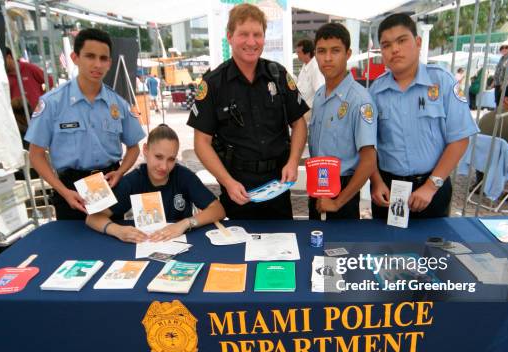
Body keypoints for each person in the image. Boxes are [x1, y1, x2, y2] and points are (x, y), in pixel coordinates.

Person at [187, 3, 308, 220]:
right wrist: (227, 182)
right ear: (229, 36)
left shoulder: (278, 75)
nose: (251, 42)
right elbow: (201, 143)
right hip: (237, 191)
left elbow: (299, 123)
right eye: (244, 34)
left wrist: (292, 162)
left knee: (284, 249)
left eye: (257, 35)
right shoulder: (213, 84)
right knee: (237, 251)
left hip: (277, 186)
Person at [25, 28, 145, 220]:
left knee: (113, 245)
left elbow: (134, 147)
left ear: (109, 63)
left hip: (109, 185)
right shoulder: (52, 103)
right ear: (75, 57)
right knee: (73, 247)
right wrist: (63, 191)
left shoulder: (119, 104)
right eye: (90, 56)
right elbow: (36, 155)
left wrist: (120, 172)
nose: (97, 64)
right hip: (70, 190)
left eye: (103, 58)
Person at [369, 13, 478, 218]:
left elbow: (460, 138)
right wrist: (376, 181)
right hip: (389, 190)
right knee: (385, 248)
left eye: (402, 40)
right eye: (386, 45)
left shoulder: (442, 82)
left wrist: (430, 186)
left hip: (433, 187)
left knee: (433, 248)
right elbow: (367, 146)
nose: (395, 49)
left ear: (417, 42)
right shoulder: (375, 92)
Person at [86, 124, 226, 243]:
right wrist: (118, 230)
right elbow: (93, 218)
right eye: (158, 157)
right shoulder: (132, 181)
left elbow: (218, 210)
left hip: (181, 244)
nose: (164, 167)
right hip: (146, 243)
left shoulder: (183, 176)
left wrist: (185, 224)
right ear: (146, 150)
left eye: (171, 159)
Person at [308, 23, 378, 220]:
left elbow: (369, 160)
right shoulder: (320, 95)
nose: (327, 58)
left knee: (339, 249)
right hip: (317, 186)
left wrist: (338, 202)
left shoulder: (360, 100)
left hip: (343, 193)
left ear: (348, 54)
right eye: (321, 51)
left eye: (335, 51)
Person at [295, 38, 324, 120]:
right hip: (302, 107)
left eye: (299, 53)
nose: (297, 55)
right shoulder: (305, 65)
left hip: (310, 110)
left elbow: (320, 91)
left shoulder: (315, 68)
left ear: (307, 53)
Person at [494, 40, 508, 106]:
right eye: (502, 48)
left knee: (502, 102)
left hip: (504, 85)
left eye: (506, 47)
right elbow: (498, 72)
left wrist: (507, 82)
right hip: (497, 84)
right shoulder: (501, 58)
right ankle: (497, 115)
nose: (504, 49)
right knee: (497, 102)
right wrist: (493, 83)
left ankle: (501, 115)